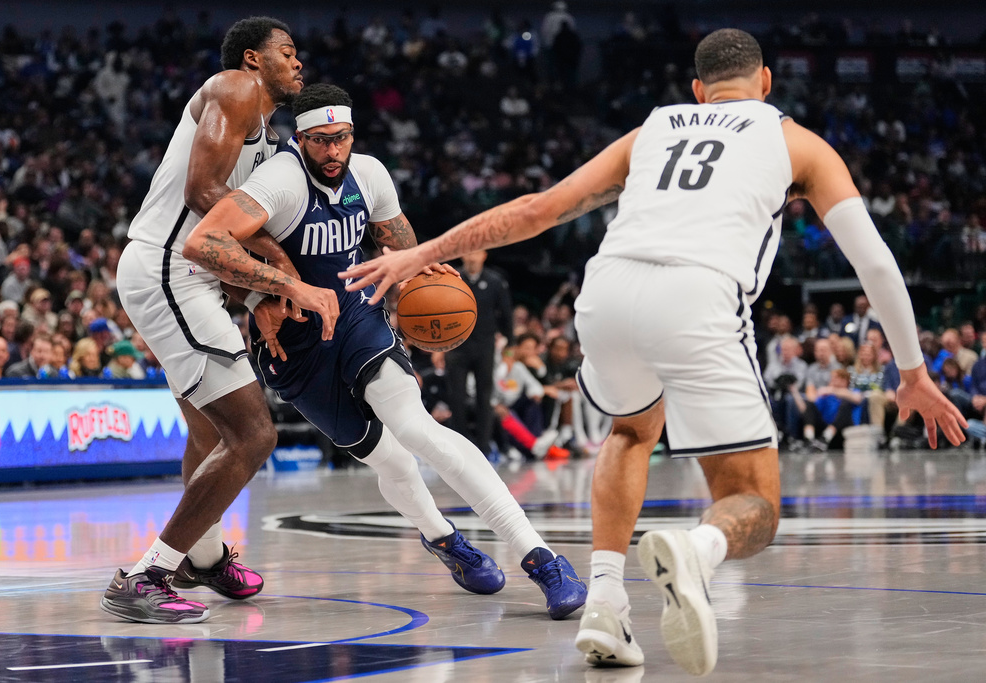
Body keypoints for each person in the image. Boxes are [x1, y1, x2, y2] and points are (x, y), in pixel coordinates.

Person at [339, 28, 967, 675]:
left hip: (607, 290)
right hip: (697, 295)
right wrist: (912, 372)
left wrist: (423, 251)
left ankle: (604, 604)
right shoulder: (796, 140)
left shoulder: (655, 128)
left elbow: (540, 209)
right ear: (767, 83)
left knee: (631, 431)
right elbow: (877, 264)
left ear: (696, 90)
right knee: (755, 503)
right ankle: (696, 550)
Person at [182, 83, 587, 619]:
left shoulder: (369, 174)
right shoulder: (278, 181)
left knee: (417, 429)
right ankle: (443, 539)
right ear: (300, 141)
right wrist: (270, 292)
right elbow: (203, 243)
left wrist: (412, 276)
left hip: (356, 316)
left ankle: (540, 558)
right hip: (297, 348)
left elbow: (399, 248)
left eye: (342, 138)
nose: (333, 151)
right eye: (321, 141)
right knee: (388, 457)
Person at [102, 16, 338, 625]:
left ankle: (201, 558)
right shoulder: (235, 88)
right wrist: (283, 271)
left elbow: (228, 225)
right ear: (254, 59)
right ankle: (146, 575)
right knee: (253, 434)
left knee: (209, 434)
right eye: (288, 52)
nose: (299, 62)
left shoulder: (264, 123)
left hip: (195, 277)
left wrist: (257, 294)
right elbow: (203, 193)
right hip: (170, 270)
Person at [449, 249, 513, 456]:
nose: (471, 257)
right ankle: (460, 447)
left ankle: (483, 447)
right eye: (468, 253)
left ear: (484, 255)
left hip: (484, 347)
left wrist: (509, 350)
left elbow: (506, 316)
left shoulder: (495, 281)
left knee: (484, 398)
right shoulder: (452, 279)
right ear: (462, 255)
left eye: (476, 253)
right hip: (456, 347)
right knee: (456, 397)